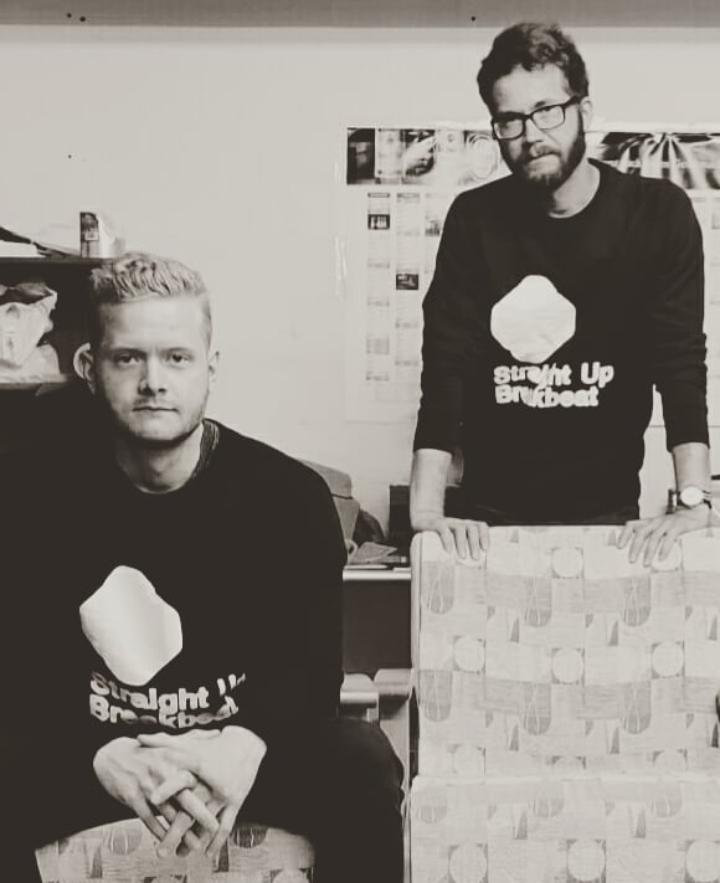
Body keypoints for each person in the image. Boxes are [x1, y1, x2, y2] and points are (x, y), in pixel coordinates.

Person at [4, 252, 403, 882]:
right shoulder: (27, 495)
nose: (153, 381)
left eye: (176, 358)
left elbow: (309, 675)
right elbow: (21, 678)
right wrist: (100, 756)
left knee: (362, 761)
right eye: (127, 358)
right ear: (88, 368)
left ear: (210, 368)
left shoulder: (289, 497)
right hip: (98, 756)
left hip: (237, 751)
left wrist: (244, 744)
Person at [410, 22, 714, 566]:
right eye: (510, 120)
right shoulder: (474, 219)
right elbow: (444, 367)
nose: (531, 135)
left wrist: (694, 503)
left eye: (547, 110)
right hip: (488, 523)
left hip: (608, 519)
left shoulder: (657, 214)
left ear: (584, 112)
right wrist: (427, 511)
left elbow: (680, 364)